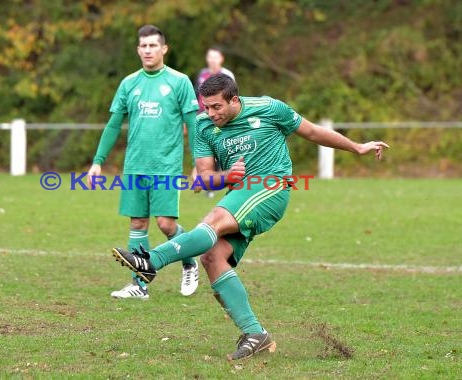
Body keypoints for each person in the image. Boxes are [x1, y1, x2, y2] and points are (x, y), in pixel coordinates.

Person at [111, 74, 389, 360]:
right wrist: (226, 177)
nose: (211, 113)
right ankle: (256, 334)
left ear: (234, 100)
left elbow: (313, 132)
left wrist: (357, 147)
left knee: (213, 221)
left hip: (271, 187)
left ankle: (151, 261)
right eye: (206, 107)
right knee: (212, 257)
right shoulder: (203, 125)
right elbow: (205, 178)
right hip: (238, 195)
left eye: (217, 107)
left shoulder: (270, 108)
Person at [88, 25, 200, 300]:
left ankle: (189, 260)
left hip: (166, 165)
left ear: (164, 49)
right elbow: (114, 124)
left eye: (153, 45)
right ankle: (139, 285)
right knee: (138, 224)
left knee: (164, 224)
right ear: (138, 50)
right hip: (135, 165)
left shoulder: (179, 81)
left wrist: (199, 164)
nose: (148, 50)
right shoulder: (129, 84)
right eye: (143, 46)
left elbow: (193, 125)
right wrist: (97, 161)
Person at [192, 47, 235, 198]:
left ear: (221, 58)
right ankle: (200, 177)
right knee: (202, 148)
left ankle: (213, 180)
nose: (212, 60)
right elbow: (197, 96)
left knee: (218, 148)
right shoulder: (202, 74)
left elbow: (233, 98)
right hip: (202, 118)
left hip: (220, 119)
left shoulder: (227, 75)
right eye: (209, 57)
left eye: (215, 57)